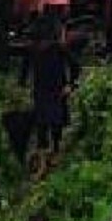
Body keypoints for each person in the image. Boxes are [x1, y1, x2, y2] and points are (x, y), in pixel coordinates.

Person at [19, 37, 79, 175]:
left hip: (57, 90)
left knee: (56, 122)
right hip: (40, 90)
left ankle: (55, 150)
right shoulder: (32, 49)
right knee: (41, 122)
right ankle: (42, 156)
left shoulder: (58, 49)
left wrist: (71, 85)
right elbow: (24, 69)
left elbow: (75, 66)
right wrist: (22, 86)